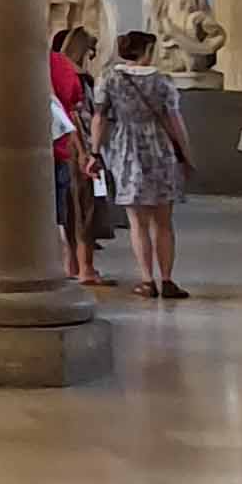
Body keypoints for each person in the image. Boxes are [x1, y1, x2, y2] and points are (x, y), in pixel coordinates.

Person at [91, 29, 196, 298]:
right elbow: (175, 121)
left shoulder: (109, 79)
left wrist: (94, 152)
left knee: (137, 222)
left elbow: (99, 117)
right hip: (160, 149)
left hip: (126, 151)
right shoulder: (162, 81)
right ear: (147, 50)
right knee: (163, 222)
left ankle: (147, 280)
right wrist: (186, 154)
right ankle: (167, 279)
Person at [49, 30, 103, 281]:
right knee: (83, 208)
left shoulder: (46, 65)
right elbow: (75, 113)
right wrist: (85, 151)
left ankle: (71, 263)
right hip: (72, 142)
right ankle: (85, 267)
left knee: (68, 211)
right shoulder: (68, 71)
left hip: (56, 143)